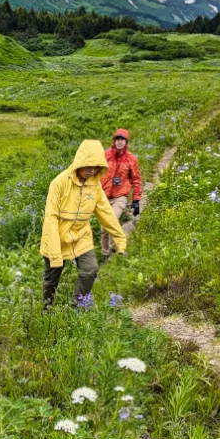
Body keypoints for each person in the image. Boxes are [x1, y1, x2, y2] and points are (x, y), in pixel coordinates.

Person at [40, 140, 128, 307]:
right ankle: (46, 310)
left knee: (90, 270)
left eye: (96, 167)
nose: (92, 171)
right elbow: (50, 218)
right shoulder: (58, 183)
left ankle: (77, 307)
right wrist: (55, 253)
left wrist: (120, 239)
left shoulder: (95, 186)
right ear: (79, 162)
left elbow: (106, 213)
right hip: (57, 236)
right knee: (51, 279)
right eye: (89, 166)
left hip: (81, 236)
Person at [100, 128, 143, 258]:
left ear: (126, 142)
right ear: (114, 141)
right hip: (104, 196)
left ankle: (117, 247)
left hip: (120, 196)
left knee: (111, 219)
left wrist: (136, 200)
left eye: (122, 139)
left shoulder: (131, 159)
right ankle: (106, 253)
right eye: (117, 139)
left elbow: (136, 180)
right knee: (104, 228)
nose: (119, 142)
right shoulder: (105, 155)